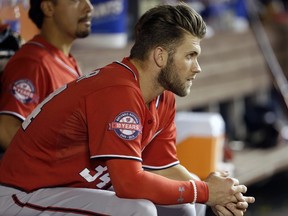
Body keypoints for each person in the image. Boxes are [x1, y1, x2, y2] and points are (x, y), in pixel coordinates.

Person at [0, 3, 255, 216]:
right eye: (190, 55)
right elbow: (129, 184)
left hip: (68, 191)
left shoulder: (162, 98)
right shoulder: (118, 90)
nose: (197, 67)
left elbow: (164, 167)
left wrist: (218, 193)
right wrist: (206, 191)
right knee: (139, 210)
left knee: (186, 207)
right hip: (22, 194)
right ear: (160, 56)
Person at [0, 0, 93, 151]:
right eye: (76, 1)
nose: (88, 7)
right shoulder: (33, 63)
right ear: (48, 8)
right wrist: (56, 166)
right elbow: (6, 131)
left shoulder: (63, 59)